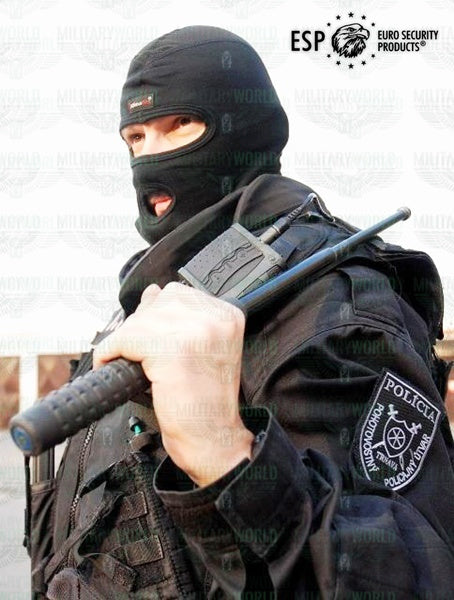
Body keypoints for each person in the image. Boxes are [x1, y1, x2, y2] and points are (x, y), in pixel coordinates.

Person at [29, 26, 454, 599]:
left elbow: (410, 575)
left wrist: (227, 457)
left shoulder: (330, 304)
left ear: (247, 128)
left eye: (181, 124)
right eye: (135, 136)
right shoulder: (154, 296)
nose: (150, 155)